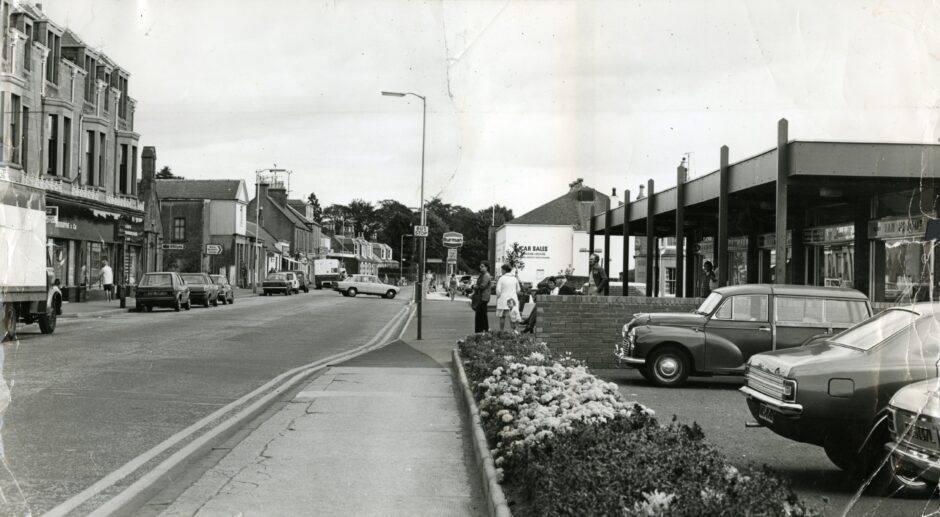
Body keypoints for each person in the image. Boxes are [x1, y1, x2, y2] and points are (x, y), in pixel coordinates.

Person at [495, 263, 521, 331]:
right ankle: (514, 332)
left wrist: (498, 298)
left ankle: (502, 331)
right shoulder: (515, 279)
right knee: (512, 317)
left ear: (504, 270)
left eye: (502, 270)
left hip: (503, 300)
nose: (501, 271)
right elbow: (518, 290)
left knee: (502, 317)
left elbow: (498, 291)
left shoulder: (501, 278)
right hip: (513, 300)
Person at [472, 261, 493, 333]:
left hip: (483, 297)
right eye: (480, 266)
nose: (480, 267)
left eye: (482, 266)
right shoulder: (482, 274)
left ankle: (483, 329)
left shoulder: (486, 275)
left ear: (487, 267)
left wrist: (475, 286)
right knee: (480, 314)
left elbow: (482, 286)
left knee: (482, 314)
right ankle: (481, 329)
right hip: (481, 296)